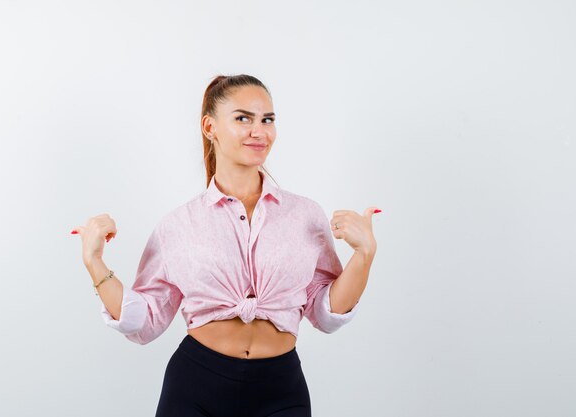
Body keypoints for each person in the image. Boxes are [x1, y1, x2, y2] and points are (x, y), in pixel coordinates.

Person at [71, 74, 380, 417]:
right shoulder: (179, 225)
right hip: (195, 387)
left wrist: (364, 255)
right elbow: (144, 322)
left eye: (267, 120)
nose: (258, 130)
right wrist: (94, 261)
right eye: (243, 118)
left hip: (281, 390)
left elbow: (325, 312)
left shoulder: (305, 215)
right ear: (209, 127)